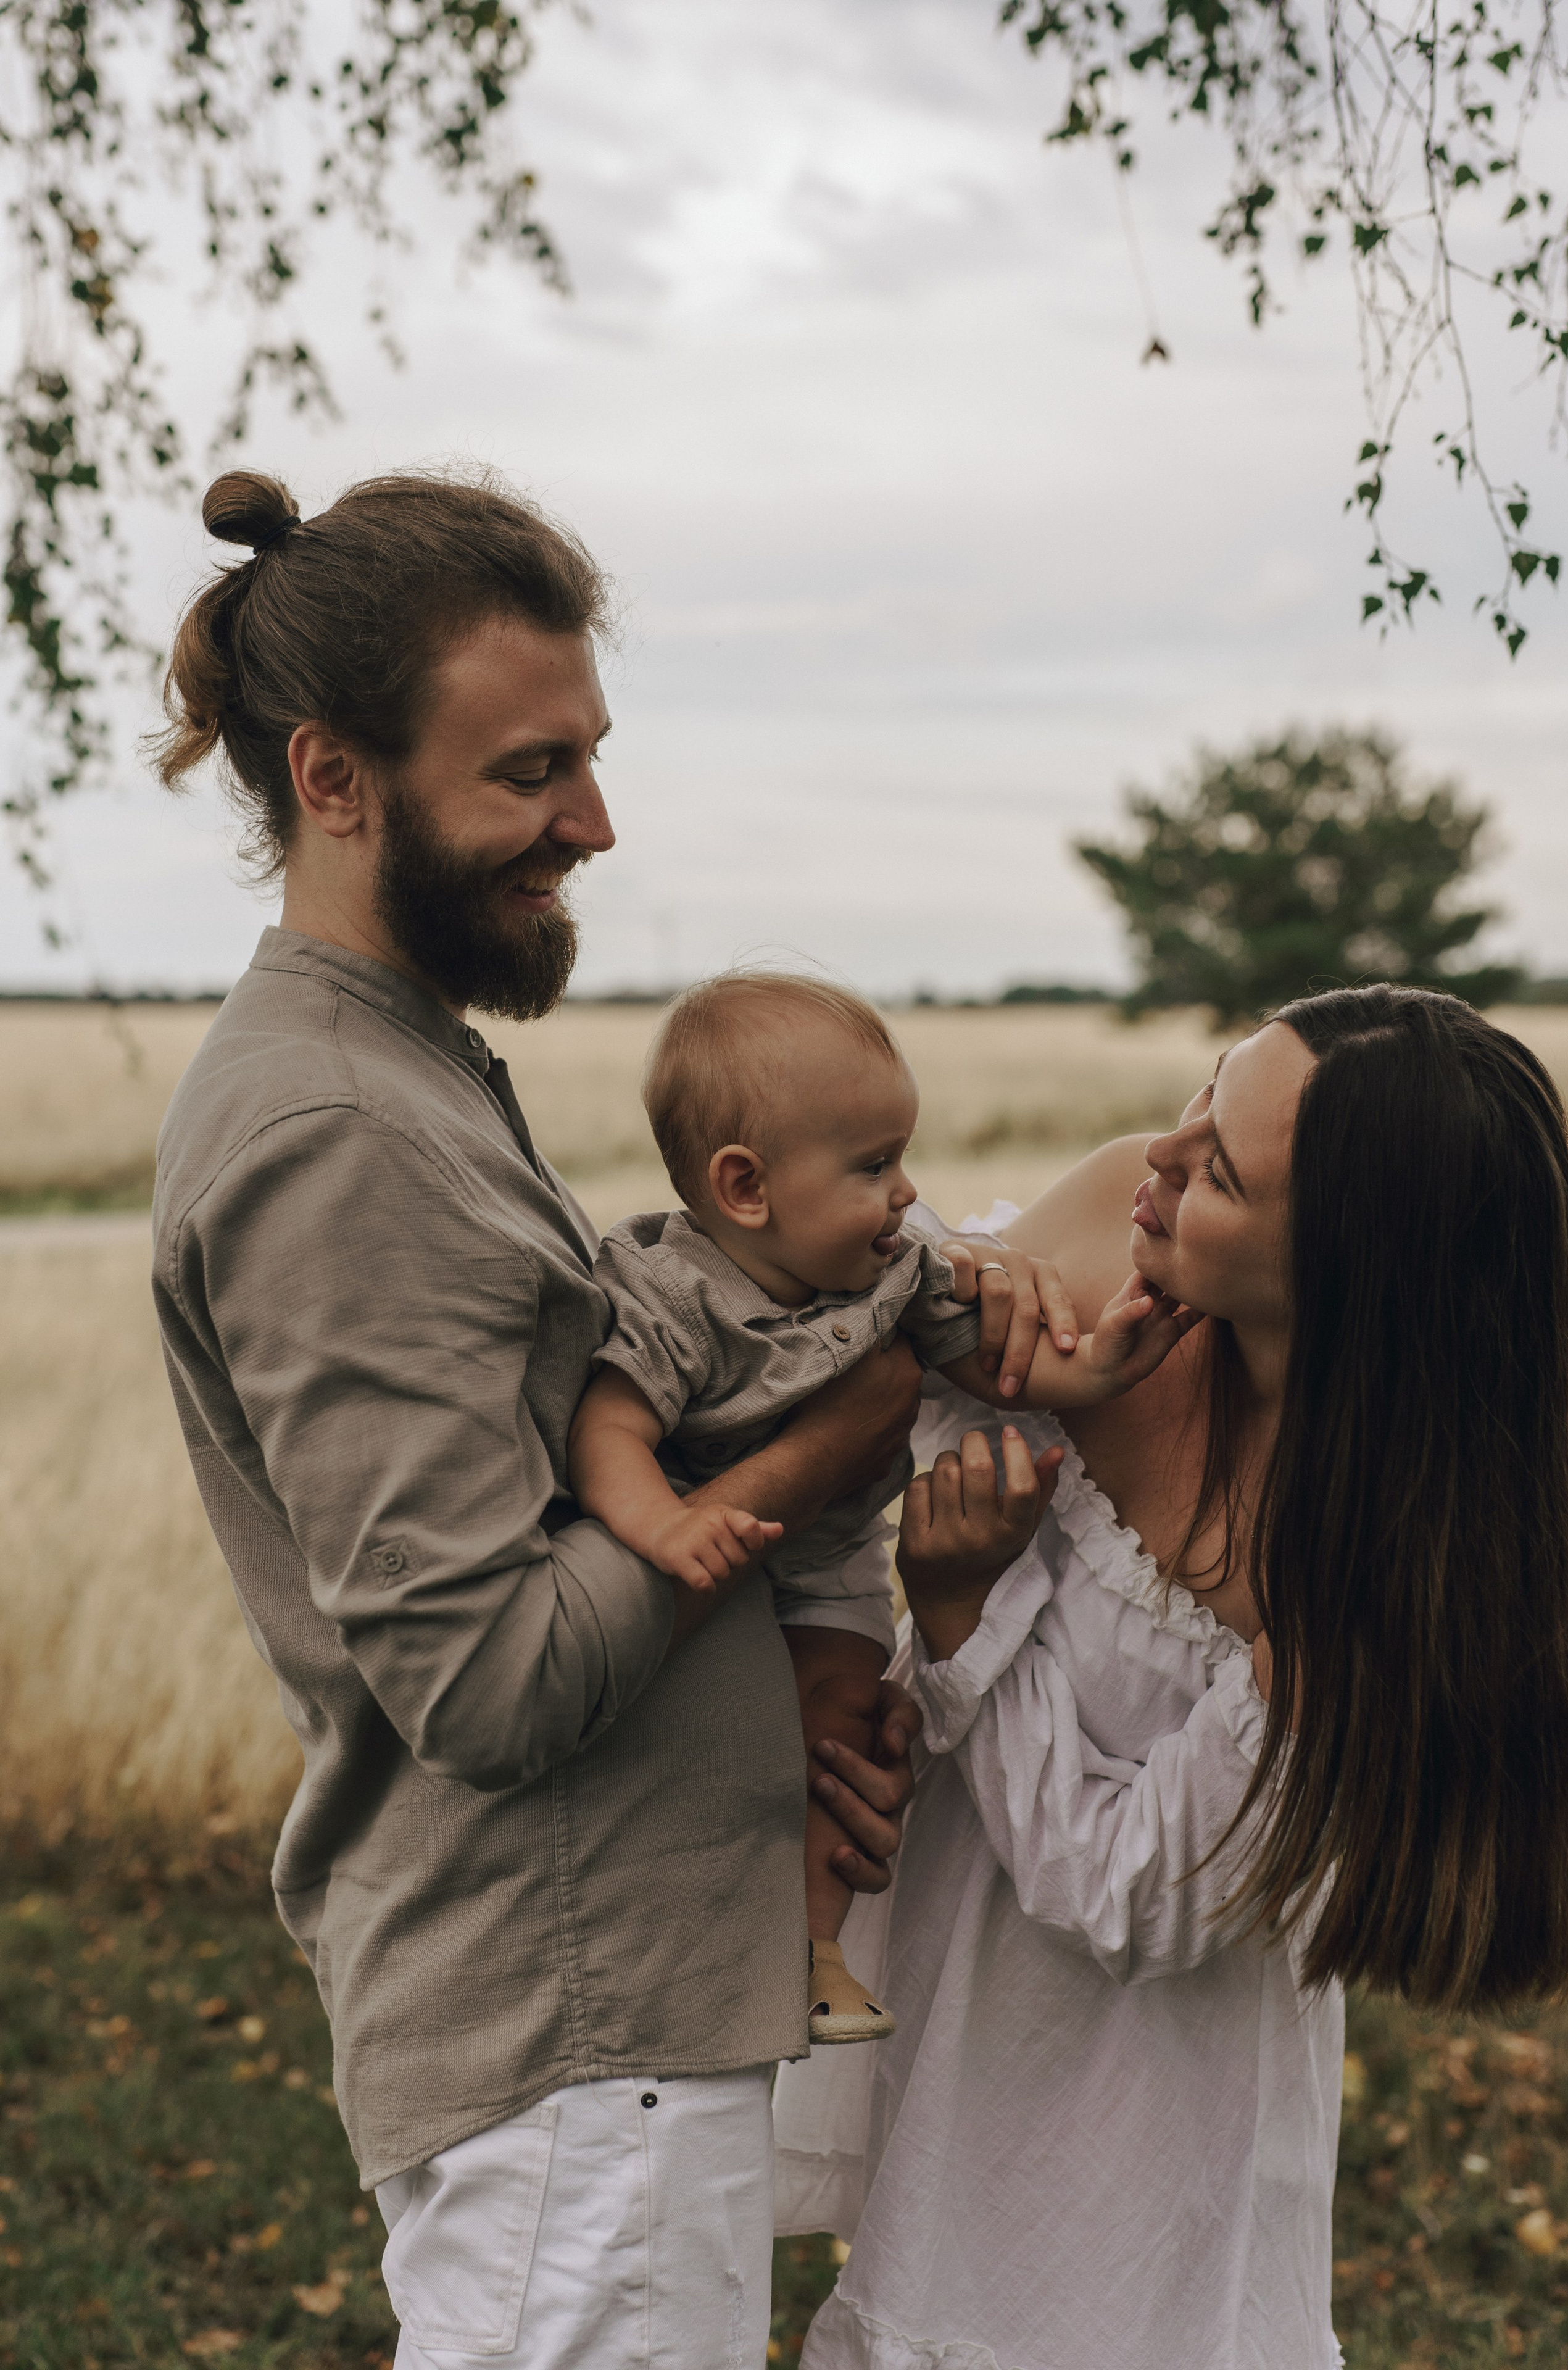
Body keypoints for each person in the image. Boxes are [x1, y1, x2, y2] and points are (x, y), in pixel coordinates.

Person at [149, 464, 1066, 2370]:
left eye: (591, 757)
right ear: (334, 779)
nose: (595, 821)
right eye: (528, 774)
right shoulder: (336, 1136)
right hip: (579, 2050)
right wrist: (848, 1428)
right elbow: (484, 1685)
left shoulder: (412, 1072)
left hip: (626, 2039)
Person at [778, 987, 1568, 2370]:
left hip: (1146, 2111)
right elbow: (830, 1354)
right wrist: (971, 1320)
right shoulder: (1115, 1222)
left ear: (1338, 1267)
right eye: (1200, 1100)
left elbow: (1132, 1890)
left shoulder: (1381, 1568)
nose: (1156, 1157)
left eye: (1217, 1172)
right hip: (949, 1988)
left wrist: (967, 1614)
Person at [568, 968, 1193, 2046]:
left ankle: (816, 1957)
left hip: (833, 1560)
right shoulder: (668, 1288)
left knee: (842, 1732)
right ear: (746, 1187)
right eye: (874, 1166)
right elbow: (607, 1429)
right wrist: (665, 1527)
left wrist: (1093, 1374)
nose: (909, 1193)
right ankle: (727, 1936)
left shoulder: (893, 1274)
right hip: (697, 1520)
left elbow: (995, 1366)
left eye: (901, 1158)